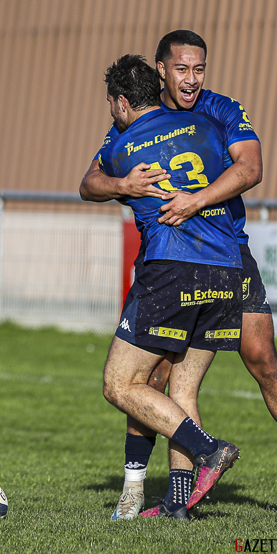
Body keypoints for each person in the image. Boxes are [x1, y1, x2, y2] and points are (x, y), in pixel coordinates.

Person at [86, 30, 277, 519]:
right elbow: (93, 179)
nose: (192, 79)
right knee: (166, 379)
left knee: (260, 358)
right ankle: (151, 493)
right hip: (197, 259)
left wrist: (195, 200)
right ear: (161, 71)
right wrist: (122, 183)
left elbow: (250, 168)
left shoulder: (220, 110)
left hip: (217, 252)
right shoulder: (136, 123)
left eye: (199, 69)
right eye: (182, 69)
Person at [81, 54, 243, 520]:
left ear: (123, 102)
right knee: (182, 388)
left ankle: (208, 449)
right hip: (227, 269)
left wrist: (120, 183)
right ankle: (178, 502)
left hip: (172, 267)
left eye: (112, 104)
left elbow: (86, 186)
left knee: (119, 384)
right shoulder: (207, 126)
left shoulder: (123, 144)